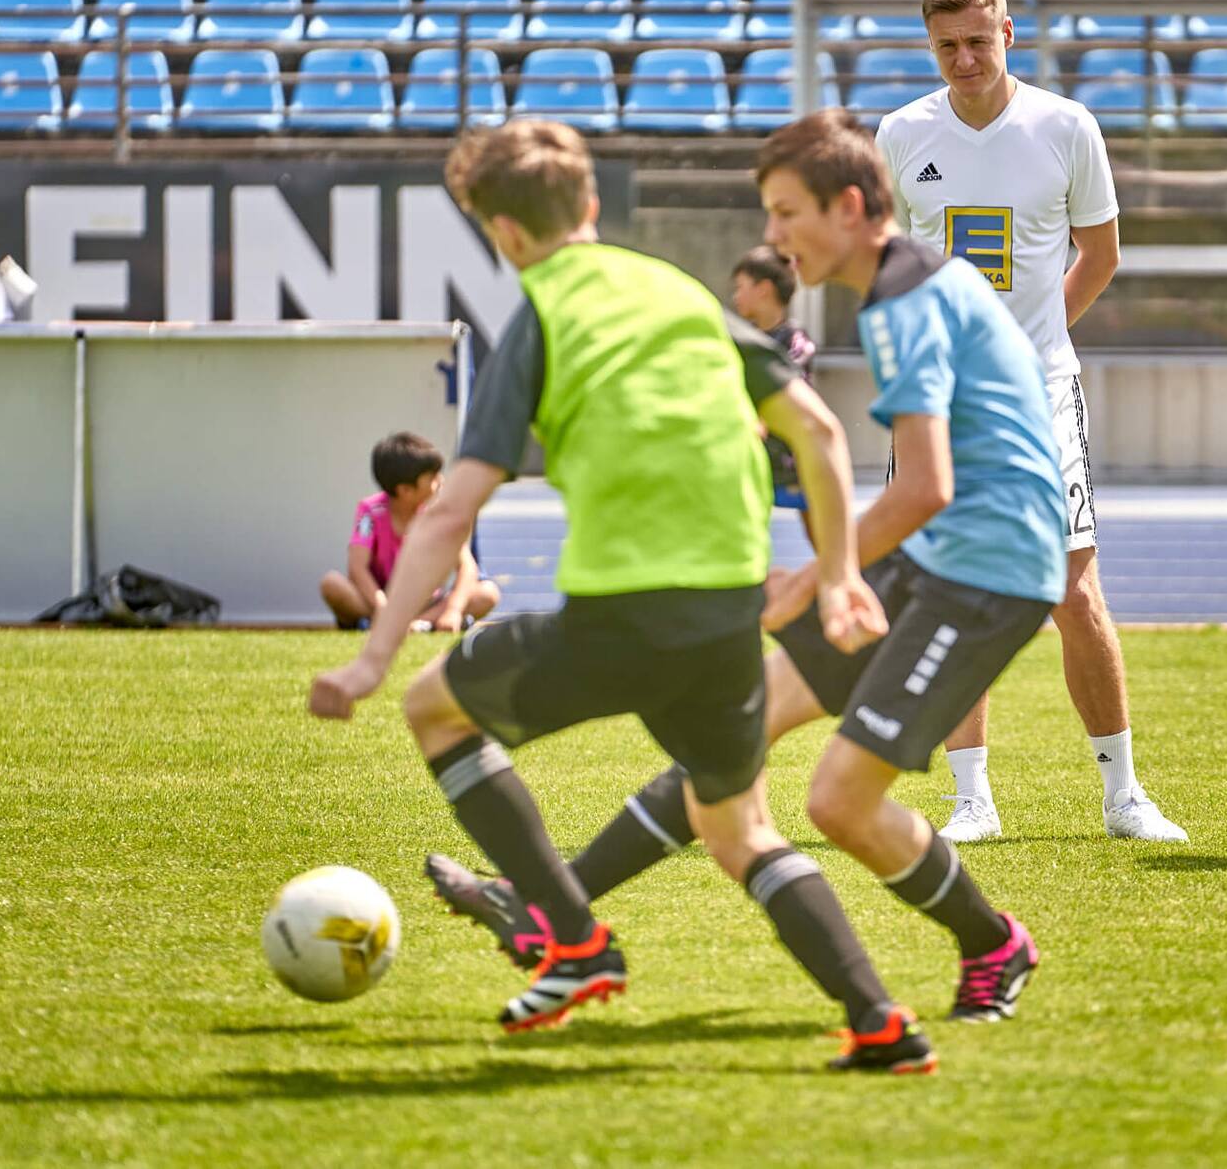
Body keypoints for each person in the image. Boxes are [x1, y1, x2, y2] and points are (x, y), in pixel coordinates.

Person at [308, 120, 936, 1073]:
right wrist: (840, 573)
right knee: (740, 830)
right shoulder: (681, 293)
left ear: (503, 235)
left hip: (623, 612)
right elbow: (816, 426)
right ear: (592, 205)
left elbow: (449, 512)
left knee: (432, 706)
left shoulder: (539, 318)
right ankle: (881, 1020)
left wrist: (368, 656)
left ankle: (574, 937)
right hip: (730, 610)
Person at [429, 109, 1064, 1030]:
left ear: (850, 208)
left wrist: (816, 579)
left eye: (785, 212)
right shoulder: (903, 285)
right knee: (733, 740)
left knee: (840, 800)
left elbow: (925, 484)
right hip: (943, 553)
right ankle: (546, 906)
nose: (772, 236)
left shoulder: (904, 300)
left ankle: (992, 940)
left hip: (992, 567)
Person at [872, 0, 1186, 844]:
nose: (964, 59)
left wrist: (1029, 337)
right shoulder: (901, 133)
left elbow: (1102, 252)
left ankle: (1124, 793)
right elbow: (882, 266)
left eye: (978, 40)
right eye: (946, 46)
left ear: (1009, 33)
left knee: (1073, 591)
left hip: (1041, 391)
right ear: (929, 46)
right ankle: (972, 798)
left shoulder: (1064, 126)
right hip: (937, 400)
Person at [320, 432, 501, 633]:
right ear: (405, 490)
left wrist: (453, 610)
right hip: (380, 601)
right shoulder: (370, 512)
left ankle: (413, 623)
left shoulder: (438, 514)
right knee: (331, 584)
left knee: (487, 593)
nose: (441, 481)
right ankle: (402, 623)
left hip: (427, 603)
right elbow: (357, 567)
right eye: (432, 478)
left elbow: (467, 567)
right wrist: (383, 607)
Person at [731, 245, 820, 528]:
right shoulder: (742, 340)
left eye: (741, 287)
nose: (735, 297)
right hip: (752, 454)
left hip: (789, 457)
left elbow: (794, 389)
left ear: (763, 289)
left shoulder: (795, 342)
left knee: (815, 521)